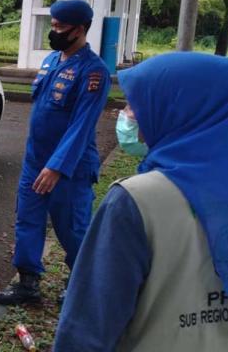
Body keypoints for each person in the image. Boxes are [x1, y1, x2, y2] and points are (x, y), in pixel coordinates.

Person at [54, 52, 228, 351]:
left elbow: (86, 329)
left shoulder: (136, 201)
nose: (128, 113)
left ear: (177, 108)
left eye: (137, 104)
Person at [0, 0, 110, 305]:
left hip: (70, 168)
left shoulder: (94, 72)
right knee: (27, 220)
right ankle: (27, 285)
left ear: (80, 29)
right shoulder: (51, 61)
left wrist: (57, 167)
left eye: (60, 27)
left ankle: (81, 286)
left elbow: (82, 126)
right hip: (36, 162)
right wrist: (40, 162)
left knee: (73, 228)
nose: (54, 31)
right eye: (53, 25)